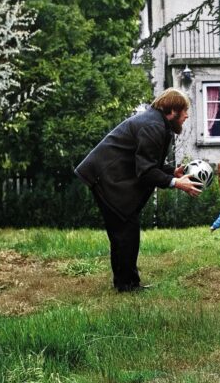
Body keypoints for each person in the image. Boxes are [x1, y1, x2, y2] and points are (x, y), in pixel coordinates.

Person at [75, 88, 203, 292]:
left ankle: (127, 283)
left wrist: (173, 172)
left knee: (125, 231)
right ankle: (127, 286)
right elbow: (145, 171)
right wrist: (176, 183)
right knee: (126, 232)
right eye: (184, 111)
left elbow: (146, 163)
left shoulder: (157, 123)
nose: (186, 116)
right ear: (171, 111)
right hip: (105, 177)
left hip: (109, 175)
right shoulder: (153, 126)